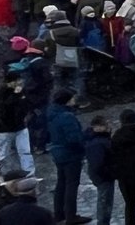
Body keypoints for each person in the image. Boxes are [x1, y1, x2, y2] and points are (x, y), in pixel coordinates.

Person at [44, 92, 86, 225]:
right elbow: (74, 139)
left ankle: (59, 213)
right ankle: (71, 215)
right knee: (71, 185)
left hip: (58, 152)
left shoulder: (52, 113)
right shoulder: (67, 117)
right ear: (67, 101)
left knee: (61, 183)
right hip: (70, 154)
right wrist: (82, 149)